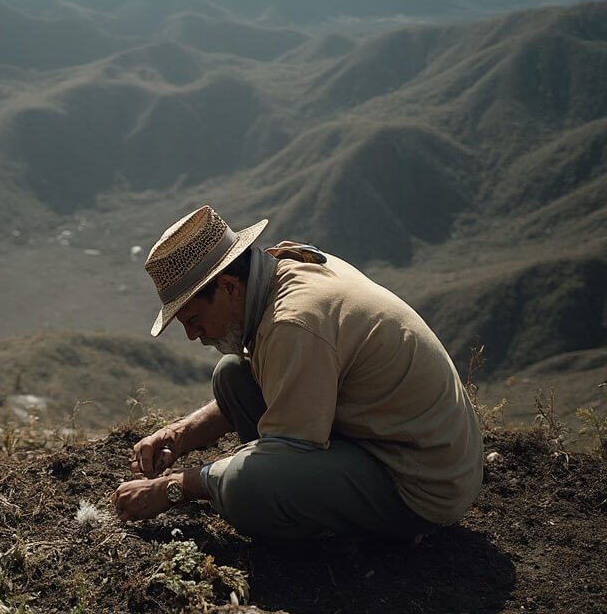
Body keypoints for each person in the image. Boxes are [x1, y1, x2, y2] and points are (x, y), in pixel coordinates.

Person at [111, 205, 483, 540]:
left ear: (227, 286)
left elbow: (287, 453)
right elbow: (279, 381)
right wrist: (180, 434)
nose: (193, 335)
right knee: (232, 377)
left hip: (420, 486)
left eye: (193, 319)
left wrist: (173, 488)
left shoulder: (294, 323)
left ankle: (349, 542)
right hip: (395, 444)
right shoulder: (286, 270)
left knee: (245, 486)